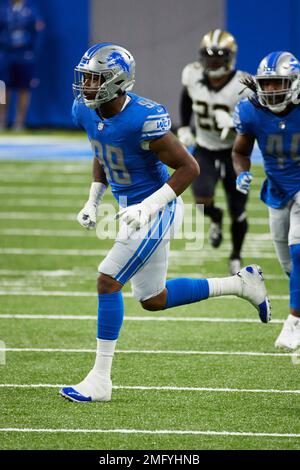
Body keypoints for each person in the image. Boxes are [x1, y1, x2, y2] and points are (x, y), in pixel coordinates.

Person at [59, 42, 271, 403]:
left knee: (107, 281)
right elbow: (101, 150)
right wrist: (93, 199)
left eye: (94, 79)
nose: (86, 86)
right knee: (153, 298)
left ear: (116, 82)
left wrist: (148, 207)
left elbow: (190, 168)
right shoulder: (84, 109)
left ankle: (100, 380)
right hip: (127, 207)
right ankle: (241, 284)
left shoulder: (144, 117)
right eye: (86, 78)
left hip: (156, 208)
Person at [232, 50, 300, 351]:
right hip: (277, 190)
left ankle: (294, 323)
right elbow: (240, 152)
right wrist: (242, 173)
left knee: (299, 253)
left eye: (279, 83)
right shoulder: (251, 111)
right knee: (289, 265)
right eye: (268, 83)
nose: (272, 90)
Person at [178, 30, 250, 275]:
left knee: (238, 211)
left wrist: (235, 122)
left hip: (235, 152)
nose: (213, 62)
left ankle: (236, 255)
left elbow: (257, 120)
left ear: (230, 58)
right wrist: (186, 125)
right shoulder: (193, 74)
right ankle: (215, 216)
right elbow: (187, 97)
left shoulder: (243, 85)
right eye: (209, 57)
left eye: (219, 57)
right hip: (206, 149)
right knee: (201, 202)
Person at [0, 0, 45, 130]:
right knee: (3, 88)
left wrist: (33, 53)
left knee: (24, 88)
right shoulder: (3, 10)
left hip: (24, 55)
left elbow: (37, 34)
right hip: (6, 54)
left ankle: (19, 122)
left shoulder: (31, 11)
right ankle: (2, 121)